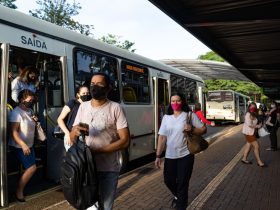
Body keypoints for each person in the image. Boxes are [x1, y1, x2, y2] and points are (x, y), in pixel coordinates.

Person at [70, 72, 130, 210]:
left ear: (108, 88)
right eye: (92, 84)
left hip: (108, 169)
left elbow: (125, 141)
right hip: (86, 168)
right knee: (87, 205)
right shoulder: (83, 107)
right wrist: (75, 132)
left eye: (99, 84)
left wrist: (96, 152)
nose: (94, 87)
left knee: (105, 207)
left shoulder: (116, 108)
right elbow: (72, 135)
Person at [154, 93, 206, 210]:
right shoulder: (166, 118)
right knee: (168, 180)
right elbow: (162, 137)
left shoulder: (189, 115)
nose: (175, 103)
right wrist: (158, 156)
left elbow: (203, 129)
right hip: (170, 156)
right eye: (173, 101)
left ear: (182, 102)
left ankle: (181, 204)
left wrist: (192, 129)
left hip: (186, 155)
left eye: (177, 101)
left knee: (183, 183)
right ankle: (178, 196)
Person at [9, 89, 37, 202]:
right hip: (19, 145)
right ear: (22, 100)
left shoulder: (29, 110)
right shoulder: (16, 113)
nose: (31, 102)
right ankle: (19, 191)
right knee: (32, 168)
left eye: (32, 100)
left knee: (32, 167)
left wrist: (34, 121)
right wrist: (23, 145)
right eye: (29, 100)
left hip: (29, 144)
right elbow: (14, 132)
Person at [57, 84, 91, 151]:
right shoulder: (72, 103)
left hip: (86, 137)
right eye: (83, 93)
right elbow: (60, 119)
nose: (86, 95)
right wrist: (67, 134)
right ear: (78, 95)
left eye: (87, 93)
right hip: (72, 135)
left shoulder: (89, 104)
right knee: (74, 159)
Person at [241, 102, 265, 167]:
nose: (252, 107)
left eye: (254, 106)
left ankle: (244, 158)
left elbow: (258, 120)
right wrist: (257, 126)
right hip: (249, 133)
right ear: (249, 107)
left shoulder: (254, 113)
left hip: (252, 132)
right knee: (256, 146)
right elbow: (249, 124)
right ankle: (259, 161)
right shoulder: (248, 114)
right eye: (251, 106)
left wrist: (260, 122)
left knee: (248, 145)